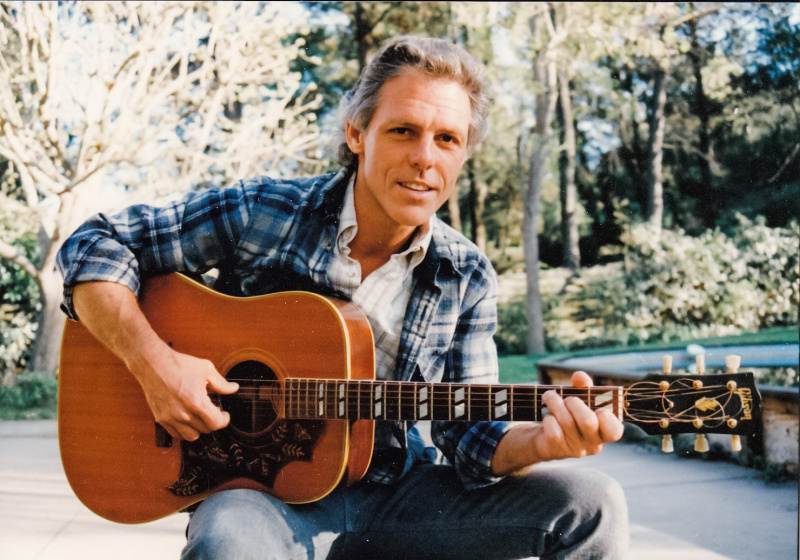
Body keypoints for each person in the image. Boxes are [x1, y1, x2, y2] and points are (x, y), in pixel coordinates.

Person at [57, 36, 628, 559]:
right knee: (228, 540)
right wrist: (154, 363)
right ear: (357, 134)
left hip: (401, 495)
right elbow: (95, 244)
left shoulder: (466, 273)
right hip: (264, 498)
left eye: (447, 139)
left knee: (593, 501)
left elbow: (469, 437)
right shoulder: (267, 213)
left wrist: (541, 441)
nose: (425, 158)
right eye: (403, 130)